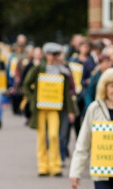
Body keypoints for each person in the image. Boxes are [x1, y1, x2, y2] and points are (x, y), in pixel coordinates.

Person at [22, 43, 77, 177]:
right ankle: (43, 166)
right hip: (40, 109)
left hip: (55, 109)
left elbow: (66, 94)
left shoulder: (63, 71)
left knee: (53, 136)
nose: (56, 57)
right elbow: (26, 85)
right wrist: (33, 99)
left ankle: (55, 166)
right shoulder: (38, 69)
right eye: (54, 54)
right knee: (41, 137)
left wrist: (70, 111)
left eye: (57, 55)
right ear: (47, 55)